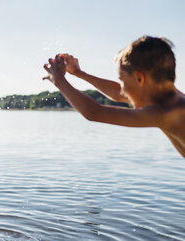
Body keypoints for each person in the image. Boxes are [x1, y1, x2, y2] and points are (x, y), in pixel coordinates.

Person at [43, 36, 185, 158]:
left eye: (122, 81)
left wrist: (59, 80)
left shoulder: (166, 112)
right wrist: (80, 73)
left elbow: (94, 112)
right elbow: (117, 93)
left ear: (140, 79)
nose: (122, 89)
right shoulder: (170, 98)